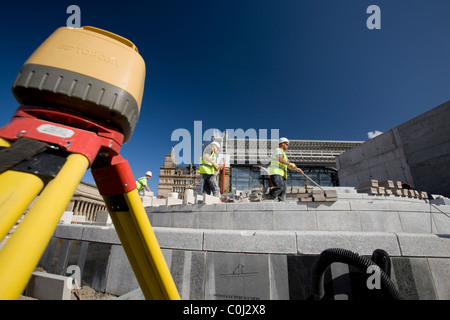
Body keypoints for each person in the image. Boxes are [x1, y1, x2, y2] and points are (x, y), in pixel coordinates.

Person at [267, 137, 303, 201]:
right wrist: (289, 164)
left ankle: (281, 201)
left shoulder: (284, 155)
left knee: (284, 190)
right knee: (279, 187)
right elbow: (280, 159)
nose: (287, 146)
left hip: (281, 174)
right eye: (287, 144)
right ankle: (269, 197)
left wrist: (296, 169)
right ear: (282, 143)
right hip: (276, 172)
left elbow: (287, 165)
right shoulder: (278, 150)